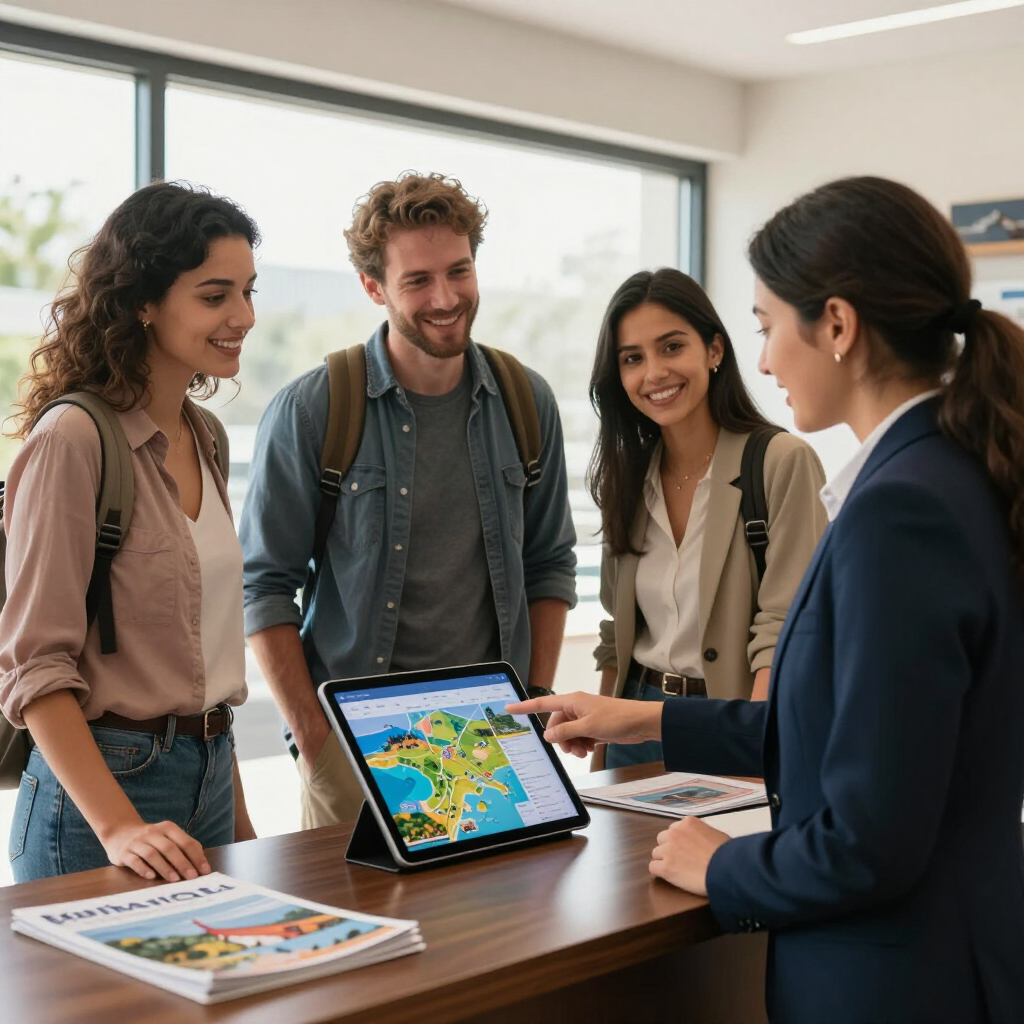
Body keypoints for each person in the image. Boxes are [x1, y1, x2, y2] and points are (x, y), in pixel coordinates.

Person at [512, 177, 1024, 1023]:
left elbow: (868, 843)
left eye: (765, 327)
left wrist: (720, 864)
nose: (767, 359)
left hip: (895, 980)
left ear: (836, 325)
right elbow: (846, 727)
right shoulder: (952, 473)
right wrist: (635, 719)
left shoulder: (903, 509)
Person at [240, 172, 577, 829]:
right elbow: (266, 586)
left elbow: (549, 564)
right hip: (358, 744)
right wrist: (314, 739)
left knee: (501, 927)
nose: (447, 297)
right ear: (374, 288)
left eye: (459, 271)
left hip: (493, 738)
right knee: (367, 926)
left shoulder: (525, 401)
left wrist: (534, 705)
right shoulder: (313, 408)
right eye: (418, 280)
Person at [0, 182, 258, 883]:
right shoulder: (72, 439)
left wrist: (240, 825)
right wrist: (117, 825)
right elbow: (34, 666)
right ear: (143, 302)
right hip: (103, 800)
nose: (244, 315)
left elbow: (200, 661)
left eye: (247, 290)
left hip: (210, 772)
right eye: (215, 296)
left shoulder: (206, 436)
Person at [589, 268, 826, 769]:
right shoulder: (627, 477)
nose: (653, 373)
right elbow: (617, 634)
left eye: (671, 347)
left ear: (714, 350)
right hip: (632, 723)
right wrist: (600, 752)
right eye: (633, 358)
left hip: (729, 718)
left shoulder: (781, 461)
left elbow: (783, 627)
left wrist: (759, 744)